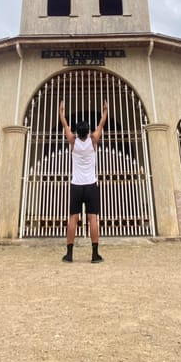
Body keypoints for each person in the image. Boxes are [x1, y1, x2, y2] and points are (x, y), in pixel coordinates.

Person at [59, 99, 108, 263]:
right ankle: (94, 254)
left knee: (73, 217)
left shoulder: (72, 141)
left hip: (76, 185)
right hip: (91, 184)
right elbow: (101, 125)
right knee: (92, 218)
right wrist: (104, 113)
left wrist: (61, 113)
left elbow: (65, 126)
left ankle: (69, 254)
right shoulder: (93, 140)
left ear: (77, 132)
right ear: (87, 131)